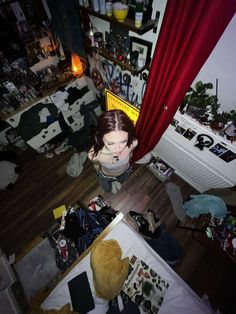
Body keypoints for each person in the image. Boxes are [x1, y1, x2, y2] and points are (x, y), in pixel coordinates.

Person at [88, 109, 138, 193]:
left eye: (123, 141)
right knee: (107, 189)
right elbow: (96, 167)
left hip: (125, 172)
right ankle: (111, 184)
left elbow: (130, 155)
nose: (118, 149)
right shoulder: (95, 155)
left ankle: (117, 182)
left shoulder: (133, 143)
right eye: (111, 143)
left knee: (122, 181)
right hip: (106, 176)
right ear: (100, 137)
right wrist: (100, 175)